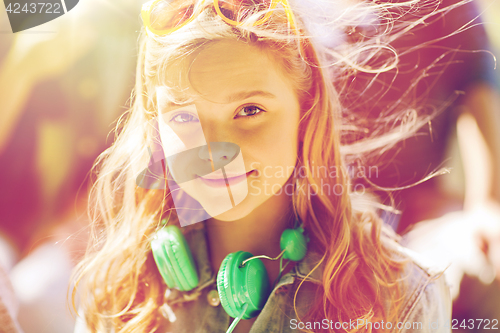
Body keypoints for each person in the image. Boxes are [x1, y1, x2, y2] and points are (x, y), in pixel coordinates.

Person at [72, 0, 455, 332]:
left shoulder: (400, 297)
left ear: (306, 115)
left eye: (249, 110)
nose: (213, 151)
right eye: (183, 119)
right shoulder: (120, 293)